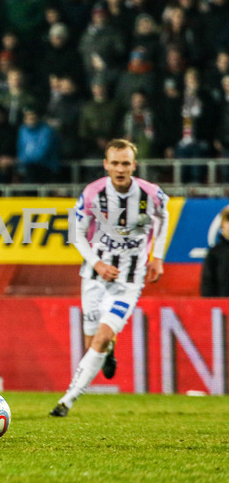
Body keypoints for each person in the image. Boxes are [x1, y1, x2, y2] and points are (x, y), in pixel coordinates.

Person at [51, 139, 169, 417]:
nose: (120, 168)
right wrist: (98, 263)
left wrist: (158, 257)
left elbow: (163, 219)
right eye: (114, 163)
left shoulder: (151, 194)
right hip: (93, 276)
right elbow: (77, 233)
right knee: (92, 341)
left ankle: (67, 400)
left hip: (129, 281)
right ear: (106, 165)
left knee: (100, 339)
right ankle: (108, 348)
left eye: (125, 163)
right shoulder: (93, 193)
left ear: (134, 165)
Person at [201, 206, 229, 296]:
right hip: (222, 307)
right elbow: (207, 285)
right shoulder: (214, 253)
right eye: (228, 219)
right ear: (222, 224)